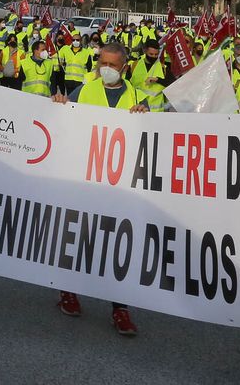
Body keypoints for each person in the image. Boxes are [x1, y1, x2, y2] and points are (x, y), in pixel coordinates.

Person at [50, 41, 146, 337]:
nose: (105, 69)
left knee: (119, 245)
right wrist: (59, 105)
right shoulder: (85, 90)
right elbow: (63, 119)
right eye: (101, 63)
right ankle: (68, 290)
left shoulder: (138, 97)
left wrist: (146, 114)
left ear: (124, 68)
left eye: (112, 65)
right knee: (77, 236)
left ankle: (121, 308)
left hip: (122, 186)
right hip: (86, 179)